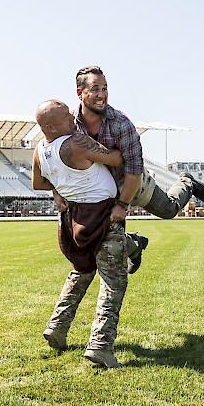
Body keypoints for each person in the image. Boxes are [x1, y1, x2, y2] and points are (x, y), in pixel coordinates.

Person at [32, 99, 147, 368]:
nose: (73, 115)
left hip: (73, 219)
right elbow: (117, 158)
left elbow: (38, 183)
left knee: (81, 272)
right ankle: (100, 345)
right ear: (50, 126)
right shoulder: (76, 143)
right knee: (113, 282)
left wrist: (61, 186)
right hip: (102, 217)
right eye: (65, 115)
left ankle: (57, 327)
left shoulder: (39, 150)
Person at [68, 65, 204, 224]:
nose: (102, 94)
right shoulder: (68, 123)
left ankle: (187, 182)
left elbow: (134, 168)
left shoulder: (121, 124)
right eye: (95, 89)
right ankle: (134, 244)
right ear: (80, 93)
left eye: (105, 88)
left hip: (130, 183)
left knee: (169, 210)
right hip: (98, 191)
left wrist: (122, 205)